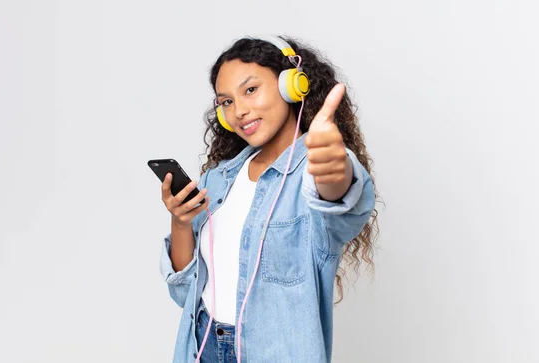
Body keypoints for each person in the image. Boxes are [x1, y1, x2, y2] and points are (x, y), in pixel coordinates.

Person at [159, 35, 379, 363]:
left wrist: (336, 171)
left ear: (292, 85)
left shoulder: (313, 171)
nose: (240, 111)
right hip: (202, 346)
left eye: (250, 90)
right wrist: (180, 221)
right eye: (226, 101)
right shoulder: (218, 180)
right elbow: (184, 291)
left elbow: (341, 202)